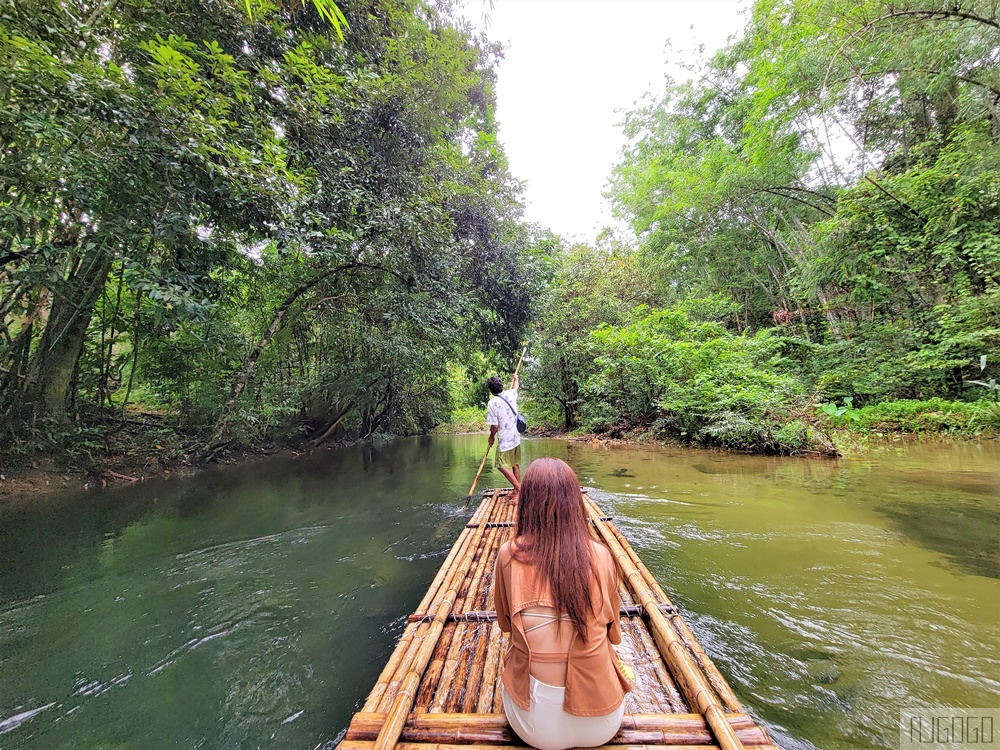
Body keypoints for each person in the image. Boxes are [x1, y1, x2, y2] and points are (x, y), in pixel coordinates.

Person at [492, 458, 631, 750]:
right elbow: (613, 633)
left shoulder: (508, 555)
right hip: (601, 721)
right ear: (574, 501)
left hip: (535, 728)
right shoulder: (602, 555)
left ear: (526, 502)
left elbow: (506, 625)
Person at [485, 372, 521, 503]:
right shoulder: (510, 394)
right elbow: (516, 387)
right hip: (516, 436)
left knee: (500, 465)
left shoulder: (492, 403)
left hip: (505, 439)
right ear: (501, 386)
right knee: (514, 464)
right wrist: (516, 379)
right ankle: (516, 492)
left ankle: (520, 491)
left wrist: (491, 437)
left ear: (491, 390)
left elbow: (494, 426)